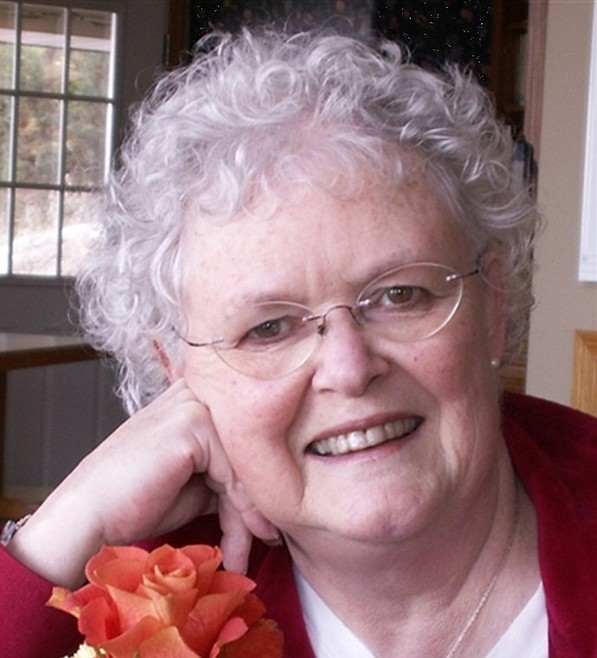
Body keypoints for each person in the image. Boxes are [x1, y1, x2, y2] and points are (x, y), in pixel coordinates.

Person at [1, 28, 596, 657]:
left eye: (400, 294)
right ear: (175, 371)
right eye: (268, 329)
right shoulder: (139, 592)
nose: (348, 368)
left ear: (493, 304)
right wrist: (60, 531)